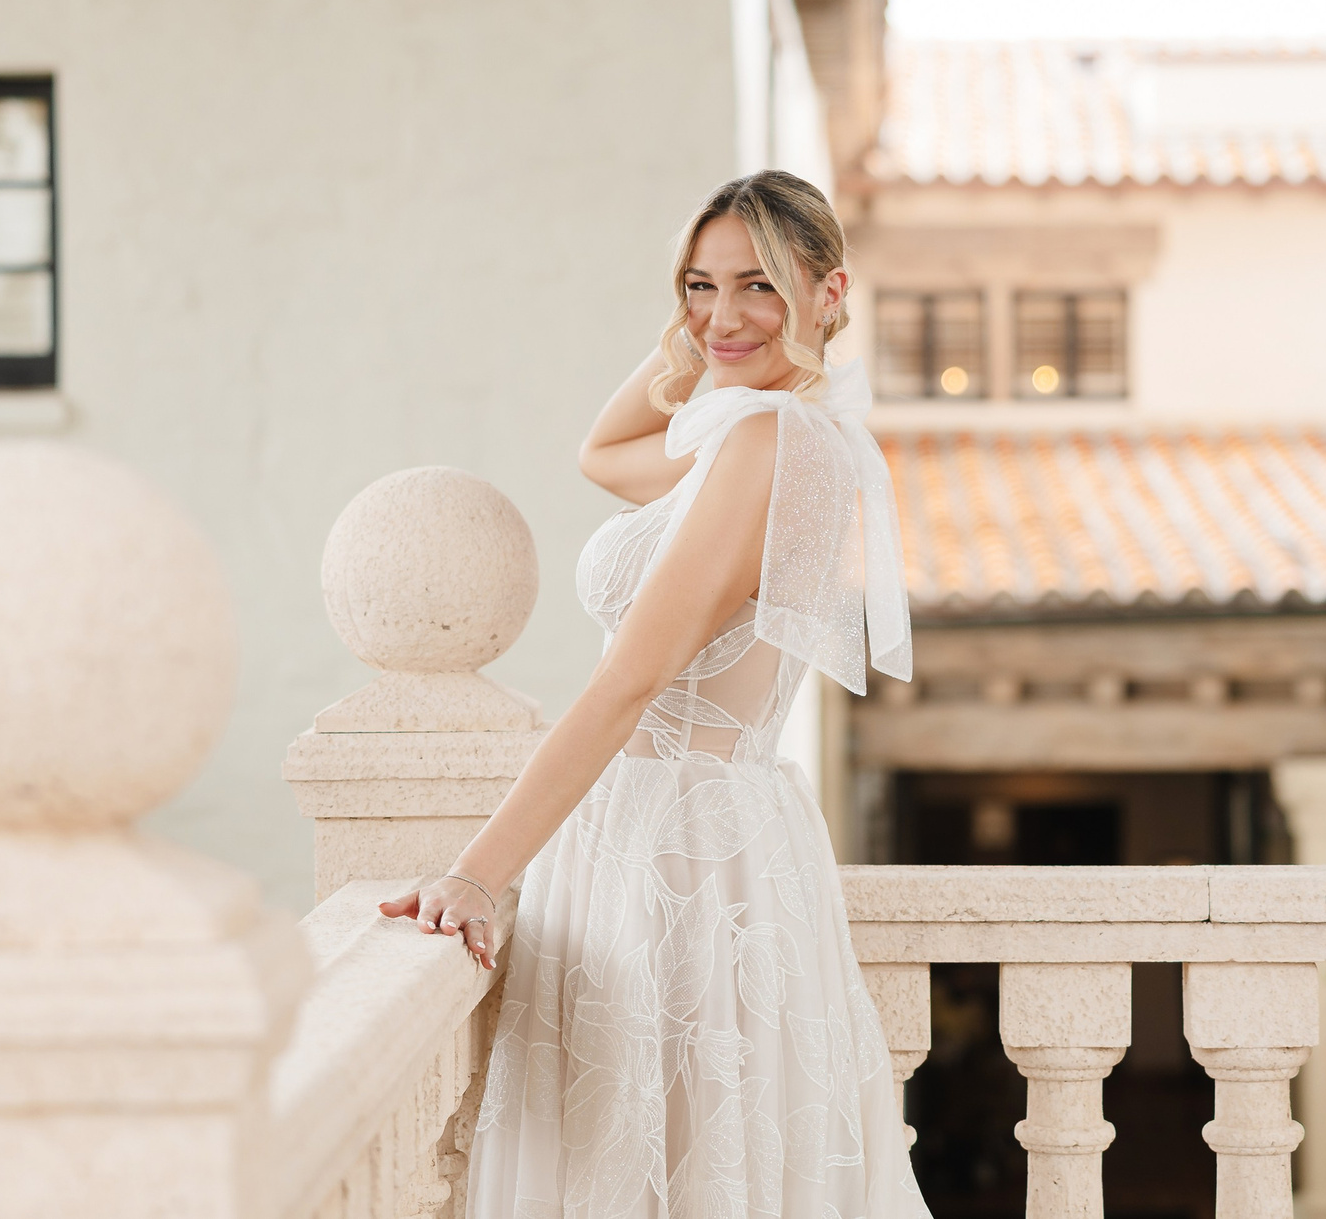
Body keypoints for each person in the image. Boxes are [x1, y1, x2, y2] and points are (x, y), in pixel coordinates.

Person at [380, 169, 931, 1218]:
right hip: (691, 828)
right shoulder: (756, 437)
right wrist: (703, 339)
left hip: (678, 846)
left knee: (665, 1165)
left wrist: (478, 873)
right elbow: (604, 452)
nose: (723, 315)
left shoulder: (770, 444)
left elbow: (629, 680)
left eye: (759, 285)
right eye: (698, 284)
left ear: (829, 292)